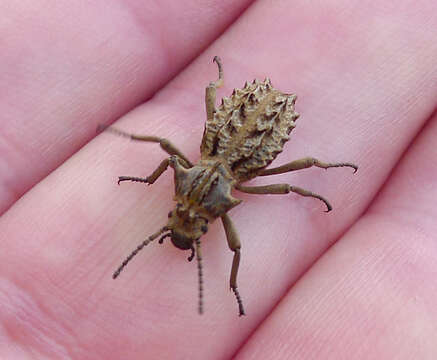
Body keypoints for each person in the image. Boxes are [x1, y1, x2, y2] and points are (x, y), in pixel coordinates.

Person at [1, 1, 436, 358]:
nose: (188, 219)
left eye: (183, 217)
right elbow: (171, 159)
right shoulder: (195, 177)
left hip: (248, 127)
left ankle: (311, 172)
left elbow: (268, 180)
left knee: (285, 185)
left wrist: (317, 177)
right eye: (191, 220)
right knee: (258, 193)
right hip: (238, 134)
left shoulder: (203, 180)